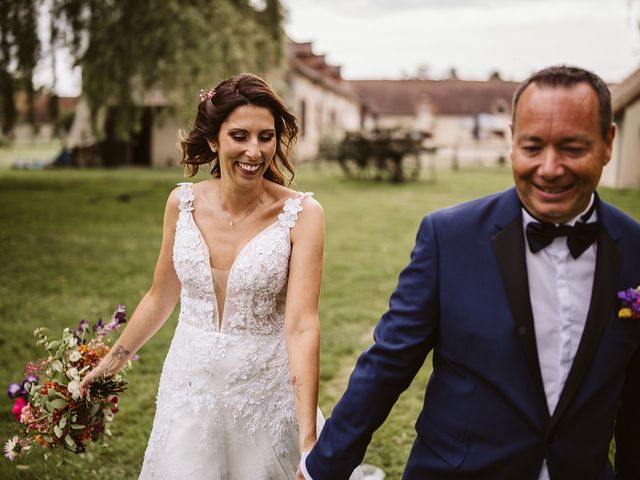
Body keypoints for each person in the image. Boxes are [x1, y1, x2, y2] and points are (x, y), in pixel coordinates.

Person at [302, 65, 640, 479]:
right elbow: (388, 364)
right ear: (513, 141)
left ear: (607, 143)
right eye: (533, 147)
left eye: (572, 148)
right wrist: (323, 469)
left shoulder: (635, 249)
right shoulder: (449, 238)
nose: (550, 168)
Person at [79, 73, 325, 479]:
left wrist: (308, 438)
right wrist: (108, 364)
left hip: (263, 395)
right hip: (189, 390)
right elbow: (160, 297)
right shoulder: (182, 203)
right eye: (240, 135)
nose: (254, 150)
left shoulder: (303, 215)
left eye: (266, 137)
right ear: (214, 139)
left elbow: (301, 327)